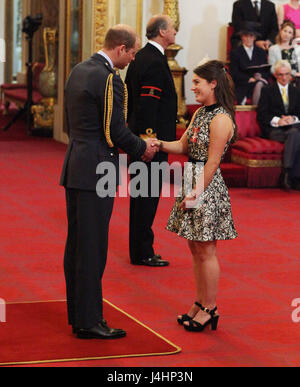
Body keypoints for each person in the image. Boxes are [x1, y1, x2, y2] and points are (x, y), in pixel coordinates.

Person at [60, 25, 159, 339]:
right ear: (121, 48)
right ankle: (89, 321)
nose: (132, 59)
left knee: (76, 245)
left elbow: (68, 122)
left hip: (76, 164)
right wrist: (142, 148)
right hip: (97, 169)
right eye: (132, 52)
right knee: (92, 248)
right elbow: (115, 131)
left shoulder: (78, 70)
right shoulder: (108, 79)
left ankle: (79, 314)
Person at [154, 60, 238, 332]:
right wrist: (157, 143)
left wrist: (195, 192)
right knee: (195, 248)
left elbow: (213, 162)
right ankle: (200, 303)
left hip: (206, 185)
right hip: (192, 178)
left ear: (213, 83)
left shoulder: (222, 118)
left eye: (197, 83)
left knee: (207, 249)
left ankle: (210, 308)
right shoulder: (201, 113)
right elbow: (182, 145)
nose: (193, 87)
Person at [125, 15, 178, 267]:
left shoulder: (141, 57)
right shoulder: (154, 60)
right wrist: (149, 141)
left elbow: (129, 99)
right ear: (162, 31)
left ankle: (139, 249)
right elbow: (148, 104)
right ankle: (143, 251)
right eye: (172, 28)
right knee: (146, 198)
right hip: (150, 143)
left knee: (140, 197)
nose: (175, 31)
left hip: (139, 138)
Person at [257, 59, 300, 190]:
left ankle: (288, 174)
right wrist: (278, 120)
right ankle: (291, 175)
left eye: (286, 74)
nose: (284, 77)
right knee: (295, 135)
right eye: (280, 74)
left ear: (290, 75)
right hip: (274, 130)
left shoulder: (296, 91)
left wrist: (293, 118)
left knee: (294, 134)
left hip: (292, 128)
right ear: (275, 75)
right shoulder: (267, 90)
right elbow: (262, 115)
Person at [230, 23, 270, 104]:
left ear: (255, 37)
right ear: (241, 37)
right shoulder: (235, 53)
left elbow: (266, 70)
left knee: (260, 84)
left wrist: (260, 77)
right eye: (245, 36)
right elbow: (234, 73)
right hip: (243, 84)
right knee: (257, 85)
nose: (248, 39)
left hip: (259, 81)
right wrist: (248, 79)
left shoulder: (261, 52)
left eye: (251, 36)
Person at [268, 20, 300, 86]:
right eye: (285, 31)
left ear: (292, 36)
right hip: (282, 78)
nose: (286, 34)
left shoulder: (298, 48)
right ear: (280, 31)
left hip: (298, 78)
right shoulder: (273, 49)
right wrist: (287, 75)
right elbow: (272, 68)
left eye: (290, 32)